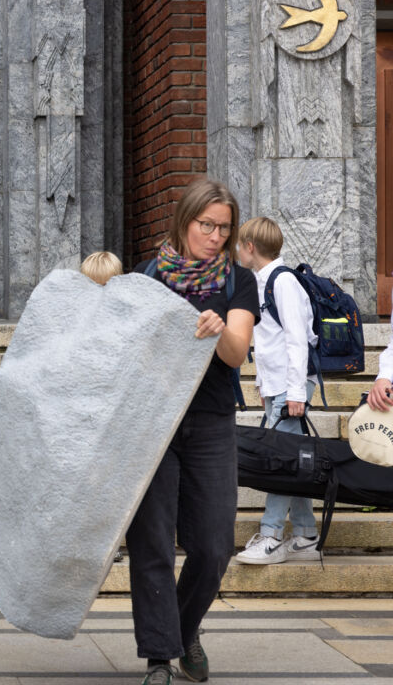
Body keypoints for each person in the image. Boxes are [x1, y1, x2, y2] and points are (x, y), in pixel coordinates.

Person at [128, 178, 258, 685]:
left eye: (225, 229)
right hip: (154, 420)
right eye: (208, 225)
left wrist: (219, 327)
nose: (216, 237)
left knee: (213, 545)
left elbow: (236, 352)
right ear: (185, 222)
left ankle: (182, 631)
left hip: (209, 419)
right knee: (153, 541)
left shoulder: (236, 282)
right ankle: (160, 657)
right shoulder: (147, 276)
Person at [234, 217, 321, 564]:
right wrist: (263, 384)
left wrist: (296, 393)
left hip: (292, 386)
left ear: (250, 247)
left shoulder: (283, 281)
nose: (238, 250)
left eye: (240, 244)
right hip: (279, 386)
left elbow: (298, 340)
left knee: (280, 463)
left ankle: (270, 535)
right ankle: (305, 534)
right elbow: (270, 339)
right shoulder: (265, 280)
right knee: (292, 458)